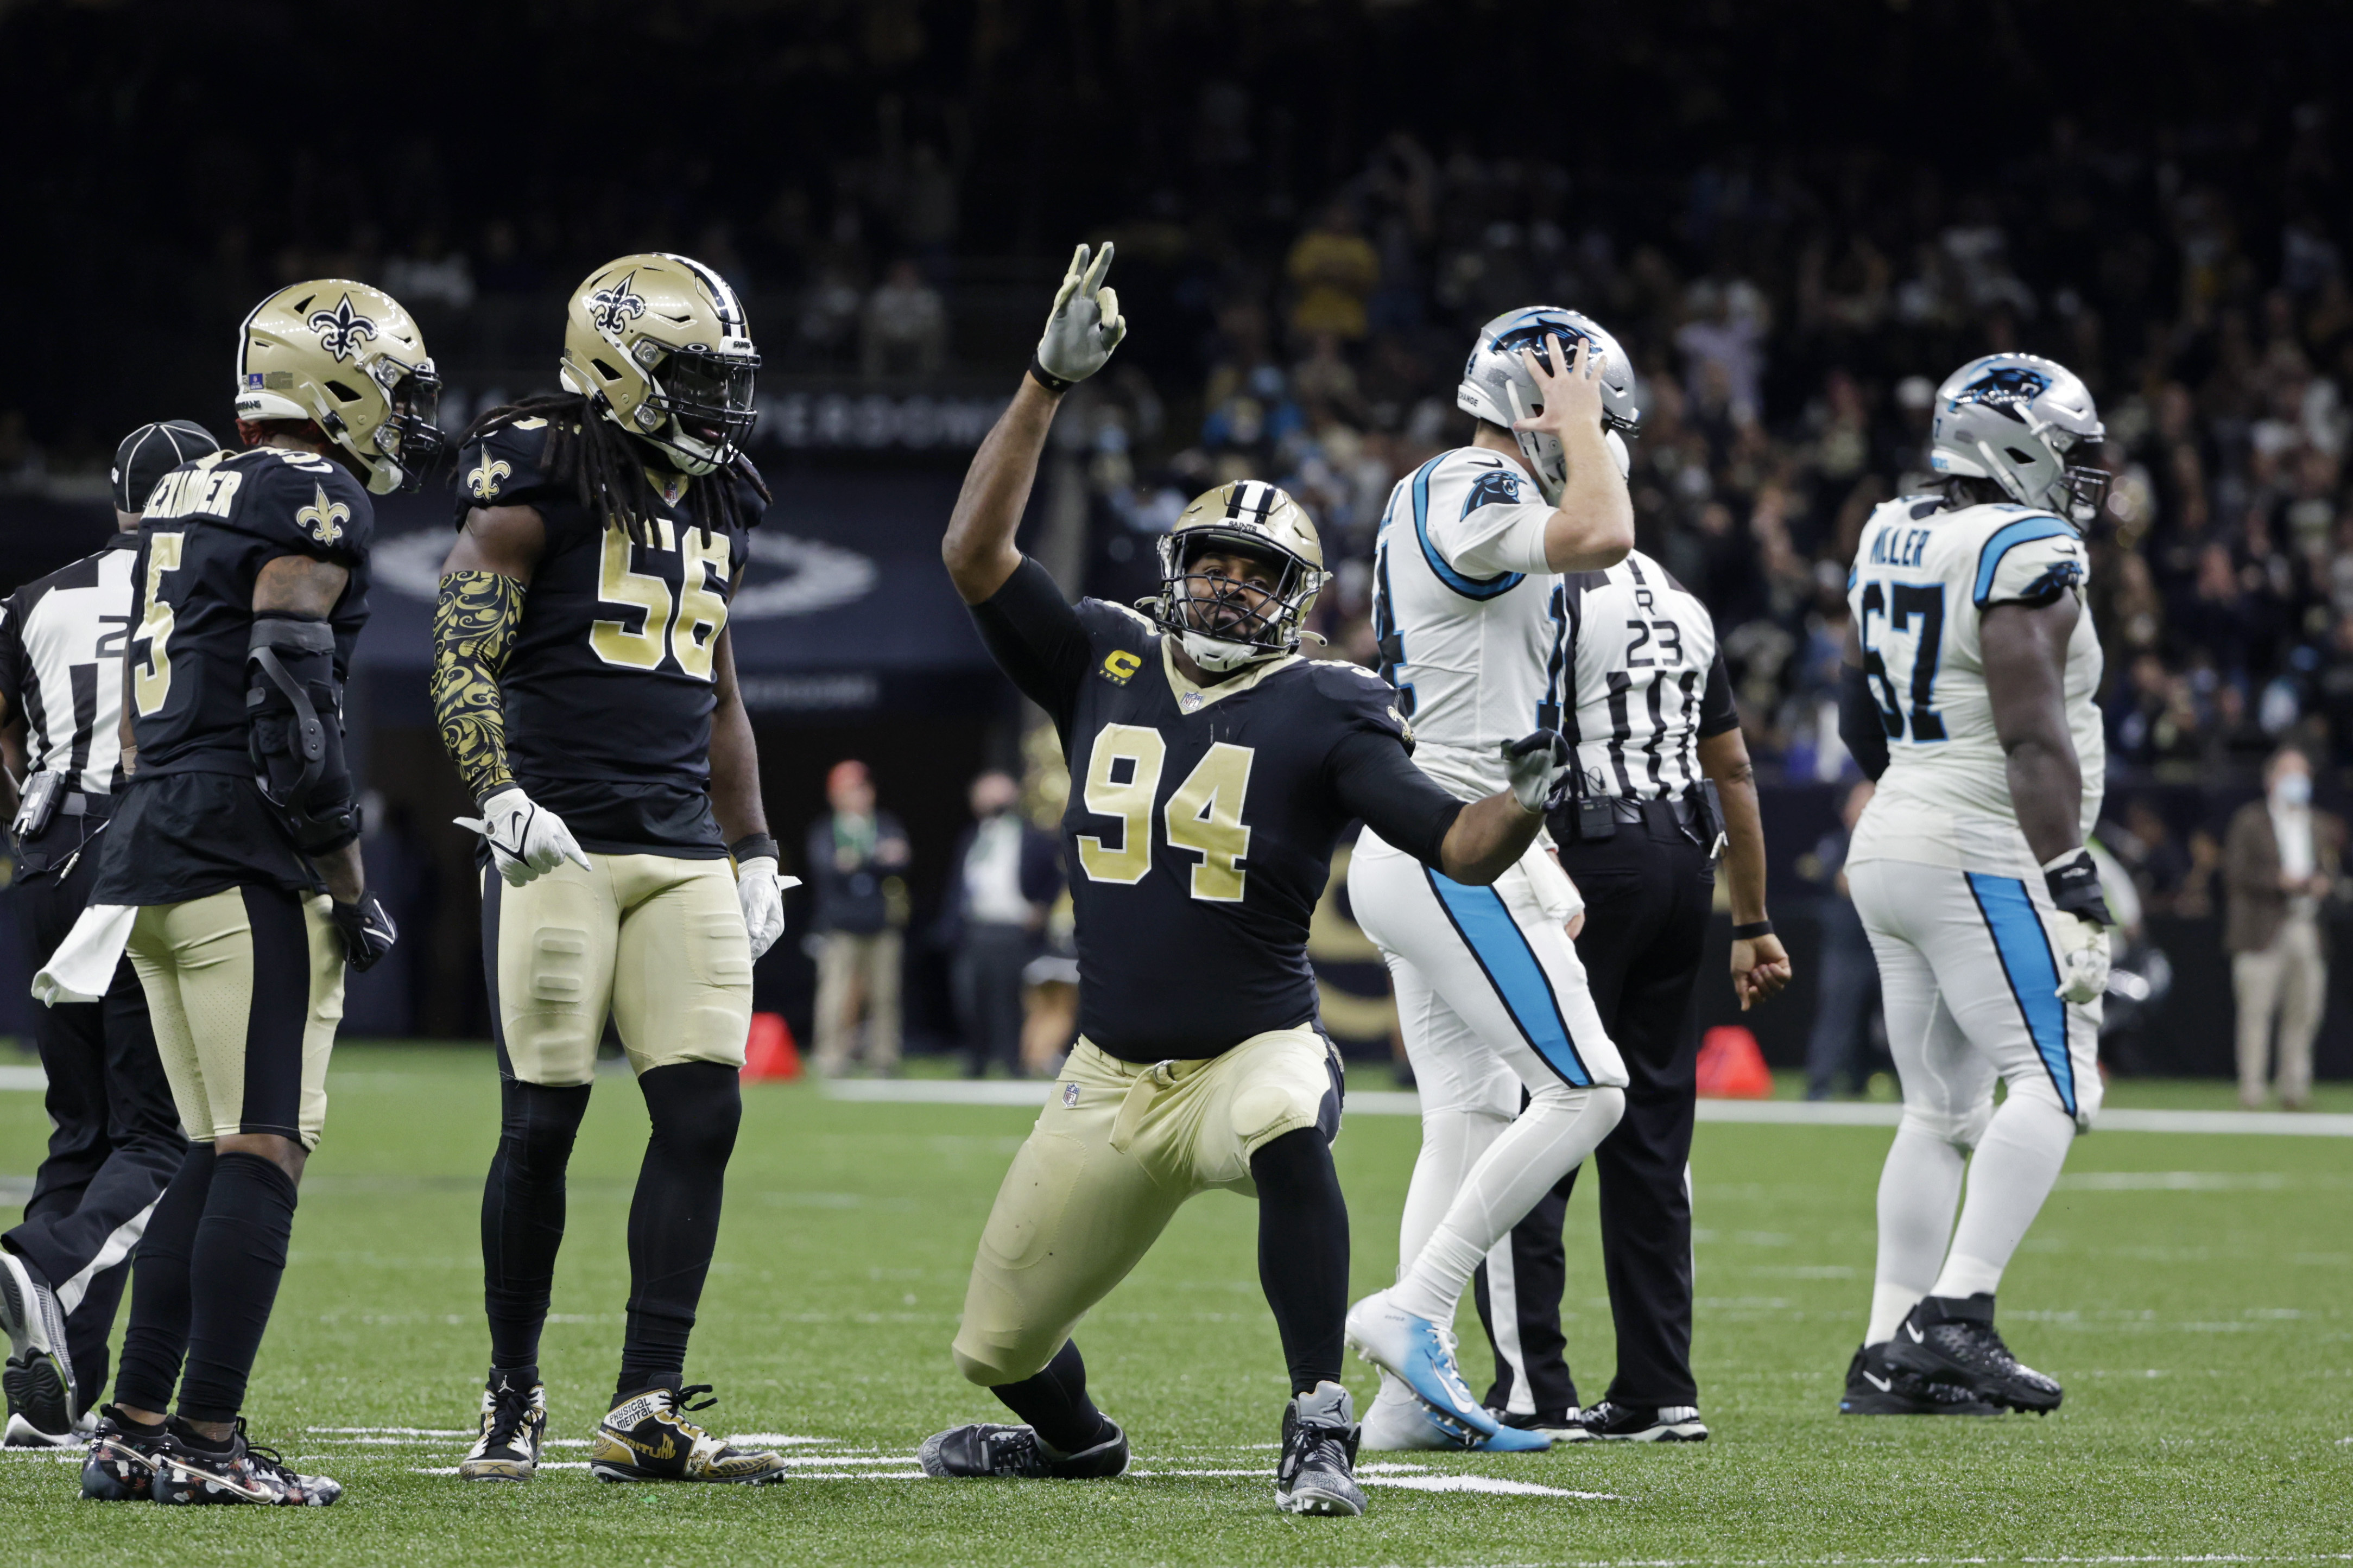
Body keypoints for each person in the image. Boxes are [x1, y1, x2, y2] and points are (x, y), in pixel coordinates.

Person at [920, 244, 1572, 1517]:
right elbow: (973, 550)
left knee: (1286, 1121)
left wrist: (1526, 799)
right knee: (994, 1347)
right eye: (1216, 557)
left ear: (1293, 600)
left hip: (1249, 1052)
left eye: (1260, 570)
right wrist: (1043, 387)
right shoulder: (1100, 655)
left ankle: (1315, 1415)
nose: (1231, 579)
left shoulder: (1328, 707)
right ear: (1179, 564)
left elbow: (1456, 844)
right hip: (1108, 1074)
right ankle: (1076, 1440)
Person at [59, 282, 429, 1504]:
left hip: (151, 844)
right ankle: (208, 1438)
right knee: (267, 1142)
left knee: (211, 1151)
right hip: (239, 849)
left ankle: (136, 1424)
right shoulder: (309, 494)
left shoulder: (181, 487)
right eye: (390, 382)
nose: (404, 415)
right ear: (333, 383)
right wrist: (345, 871)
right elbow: (291, 704)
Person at [431, 253, 789, 1486]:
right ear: (617, 366)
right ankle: (512, 1389)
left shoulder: (721, 493)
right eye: (693, 377)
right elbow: (461, 652)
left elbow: (721, 689)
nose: (717, 404)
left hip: (681, 846)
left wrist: (753, 846)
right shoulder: (539, 466)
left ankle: (645, 1402)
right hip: (561, 842)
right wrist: (499, 792)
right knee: (542, 1123)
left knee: (704, 1111)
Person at [1343, 306, 1642, 1453]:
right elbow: (1603, 536)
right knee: (1589, 1090)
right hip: (1450, 848)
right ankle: (1415, 1313)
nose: (1599, 441)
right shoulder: (1472, 484)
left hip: (1454, 836)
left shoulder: (1460, 489)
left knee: (1467, 1115)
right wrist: (1573, 422)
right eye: (1586, 419)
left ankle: (1405, 1403)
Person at [1834, 352, 2116, 1418]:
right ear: (2011, 444)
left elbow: (1860, 713)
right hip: (1978, 839)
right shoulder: (2024, 544)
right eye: (2069, 449)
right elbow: (2032, 733)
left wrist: (1914, 808)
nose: (2085, 473)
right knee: (2061, 1081)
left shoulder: (1889, 526)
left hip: (1897, 828)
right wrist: (2070, 877)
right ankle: (1957, 1312)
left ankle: (1884, 1352)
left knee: (1939, 1107)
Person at [1469, 534, 1792, 1444]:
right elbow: (1730, 768)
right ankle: (1658, 1388)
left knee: (1538, 1101)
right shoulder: (1678, 597)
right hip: (1681, 862)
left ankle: (1534, 1385)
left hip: (1582, 855)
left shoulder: (1547, 588)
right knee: (1649, 1126)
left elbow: (1512, 740)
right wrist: (1751, 919)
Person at [0, 423, 213, 1449]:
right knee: (163, 1134)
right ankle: (42, 1257)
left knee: (81, 1127)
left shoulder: (34, 596)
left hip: (46, 855)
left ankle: (49, 1402)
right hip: (142, 854)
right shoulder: (212, 576)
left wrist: (32, 805)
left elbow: (6, 722)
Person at [2223, 746, 2338, 1110]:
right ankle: (2252, 1088)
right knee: (2256, 1010)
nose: (2297, 781)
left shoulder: (2318, 823)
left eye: (2303, 773)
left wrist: (2322, 883)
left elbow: (2328, 869)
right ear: (2272, 778)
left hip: (2305, 923)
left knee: (2304, 1010)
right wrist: (2279, 880)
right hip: (2261, 926)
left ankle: (2294, 1087)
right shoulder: (2250, 820)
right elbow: (2235, 872)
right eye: (2290, 772)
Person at [944, 769, 1061, 1078]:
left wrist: (1042, 909)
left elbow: (1054, 876)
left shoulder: (1030, 836)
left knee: (1010, 1000)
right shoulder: (973, 837)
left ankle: (1013, 1062)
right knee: (970, 997)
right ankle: (976, 1060)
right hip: (977, 928)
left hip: (1013, 930)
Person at [807, 759, 909, 1077]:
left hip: (881, 922)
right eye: (849, 790)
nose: (858, 796)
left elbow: (901, 858)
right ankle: (831, 1056)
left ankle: (884, 1056)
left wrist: (859, 860)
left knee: (885, 995)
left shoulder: (885, 823)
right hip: (841, 926)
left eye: (862, 789)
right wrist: (876, 857)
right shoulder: (826, 829)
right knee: (835, 995)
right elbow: (828, 866)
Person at [1802, 779, 1882, 1100]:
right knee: (1836, 1018)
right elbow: (1844, 883)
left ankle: (1875, 1083)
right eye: (1859, 803)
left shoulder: (1891, 844)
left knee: (1894, 1023)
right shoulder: (1836, 844)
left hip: (1884, 946)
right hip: (1846, 948)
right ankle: (1819, 1086)